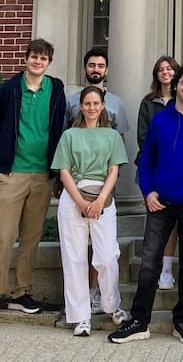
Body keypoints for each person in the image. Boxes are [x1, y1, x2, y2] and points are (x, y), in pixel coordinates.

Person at [108, 63, 183, 345]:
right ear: (176, 85)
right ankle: (139, 321)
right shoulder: (160, 120)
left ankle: (182, 319)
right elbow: (146, 161)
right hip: (161, 203)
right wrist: (147, 192)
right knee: (149, 264)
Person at [0, 38, 67, 317]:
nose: (38, 62)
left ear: (48, 62)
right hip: (13, 172)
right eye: (34, 57)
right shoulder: (10, 88)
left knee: (31, 237)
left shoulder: (56, 89)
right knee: (4, 234)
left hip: (42, 174)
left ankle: (21, 293)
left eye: (43, 58)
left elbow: (59, 125)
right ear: (26, 59)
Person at [52, 86, 130, 336]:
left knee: (106, 256)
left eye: (96, 103)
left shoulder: (111, 136)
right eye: (87, 103)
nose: (92, 108)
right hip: (73, 198)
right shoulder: (69, 135)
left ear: (103, 106)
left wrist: (99, 201)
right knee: (74, 258)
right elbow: (63, 171)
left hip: (103, 200)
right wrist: (81, 202)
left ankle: (112, 305)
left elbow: (114, 171)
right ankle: (80, 317)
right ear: (81, 106)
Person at [64, 47, 129, 314]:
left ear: (107, 70)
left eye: (101, 65)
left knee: (104, 251)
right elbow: (64, 144)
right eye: (91, 65)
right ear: (85, 68)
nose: (96, 69)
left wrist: (108, 188)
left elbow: (120, 142)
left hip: (104, 185)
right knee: (77, 251)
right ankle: (78, 308)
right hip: (76, 184)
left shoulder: (116, 104)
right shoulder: (70, 102)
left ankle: (99, 296)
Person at [136, 55, 180, 290]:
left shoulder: (182, 100)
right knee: (154, 221)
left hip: (177, 171)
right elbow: (143, 137)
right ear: (156, 74)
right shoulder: (148, 102)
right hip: (152, 169)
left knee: (171, 222)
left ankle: (165, 270)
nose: (165, 72)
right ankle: (150, 270)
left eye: (169, 68)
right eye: (161, 69)